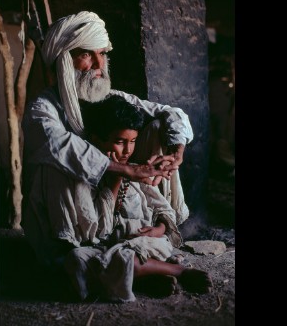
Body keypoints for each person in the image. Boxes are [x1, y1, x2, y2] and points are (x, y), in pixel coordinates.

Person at [21, 11, 194, 297]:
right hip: (73, 221)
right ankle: (114, 259)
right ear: (64, 59)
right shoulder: (43, 109)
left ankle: (133, 253)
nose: (99, 66)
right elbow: (60, 145)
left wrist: (176, 153)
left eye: (102, 54)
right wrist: (128, 171)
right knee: (57, 162)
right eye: (88, 55)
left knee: (158, 125)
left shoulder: (109, 98)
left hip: (116, 210)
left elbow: (170, 113)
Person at [57, 94, 211, 301]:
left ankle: (179, 271)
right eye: (120, 142)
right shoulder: (88, 179)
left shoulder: (137, 172)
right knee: (77, 259)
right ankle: (145, 277)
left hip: (144, 243)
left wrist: (159, 229)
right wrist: (116, 178)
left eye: (133, 142)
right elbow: (100, 229)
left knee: (125, 256)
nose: (128, 151)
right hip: (106, 247)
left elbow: (163, 209)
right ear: (95, 140)